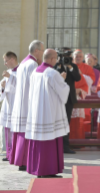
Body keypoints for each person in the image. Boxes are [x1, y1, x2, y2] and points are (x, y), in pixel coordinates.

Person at [26, 49, 70, 178]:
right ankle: (47, 170)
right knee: (49, 140)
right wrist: (62, 79)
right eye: (56, 58)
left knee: (39, 140)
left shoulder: (35, 72)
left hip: (36, 111)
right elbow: (63, 91)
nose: (56, 60)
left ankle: (38, 169)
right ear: (52, 59)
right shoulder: (52, 73)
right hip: (49, 112)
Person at [10, 40, 44, 171]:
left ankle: (20, 160)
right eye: (41, 51)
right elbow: (35, 85)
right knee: (26, 134)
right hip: (28, 104)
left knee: (21, 133)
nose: (42, 53)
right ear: (36, 51)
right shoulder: (33, 64)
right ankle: (24, 161)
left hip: (20, 103)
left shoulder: (23, 63)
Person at [54, 47, 81, 154]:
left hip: (69, 99)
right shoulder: (57, 66)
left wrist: (70, 67)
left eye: (67, 57)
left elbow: (78, 78)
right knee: (57, 122)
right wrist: (59, 66)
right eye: (63, 57)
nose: (65, 59)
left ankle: (65, 146)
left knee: (66, 122)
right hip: (58, 98)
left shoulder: (73, 66)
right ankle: (56, 145)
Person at [0, 51, 18, 161]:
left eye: (6, 61)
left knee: (16, 131)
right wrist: (2, 86)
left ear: (12, 59)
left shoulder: (21, 71)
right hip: (8, 105)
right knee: (8, 131)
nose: (5, 63)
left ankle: (16, 154)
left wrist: (11, 78)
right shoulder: (9, 71)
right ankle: (9, 154)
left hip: (17, 106)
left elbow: (23, 86)